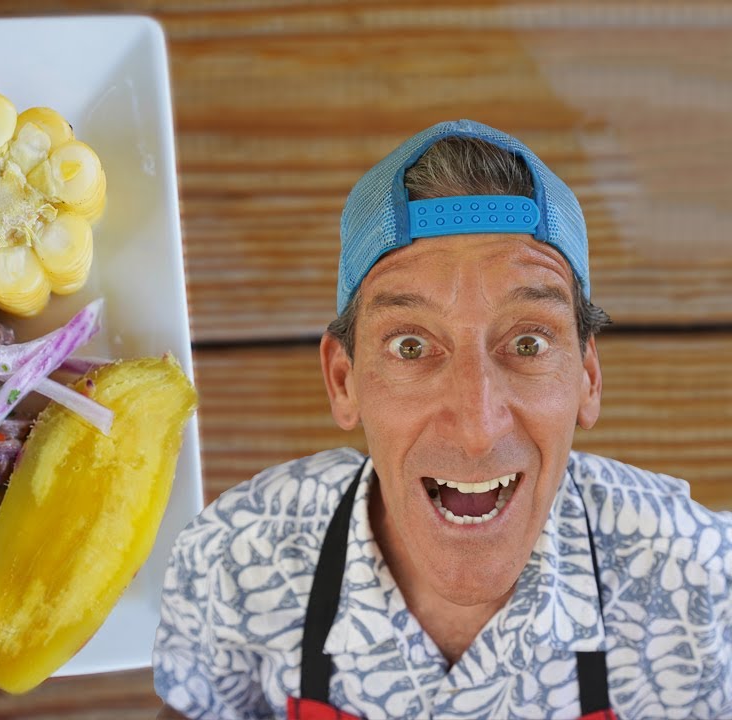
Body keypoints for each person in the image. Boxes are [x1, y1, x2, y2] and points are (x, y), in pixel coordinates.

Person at [152, 120, 732, 719]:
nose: (478, 428)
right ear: (343, 380)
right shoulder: (233, 559)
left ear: (587, 376)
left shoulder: (703, 584)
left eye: (528, 343)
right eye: (410, 346)